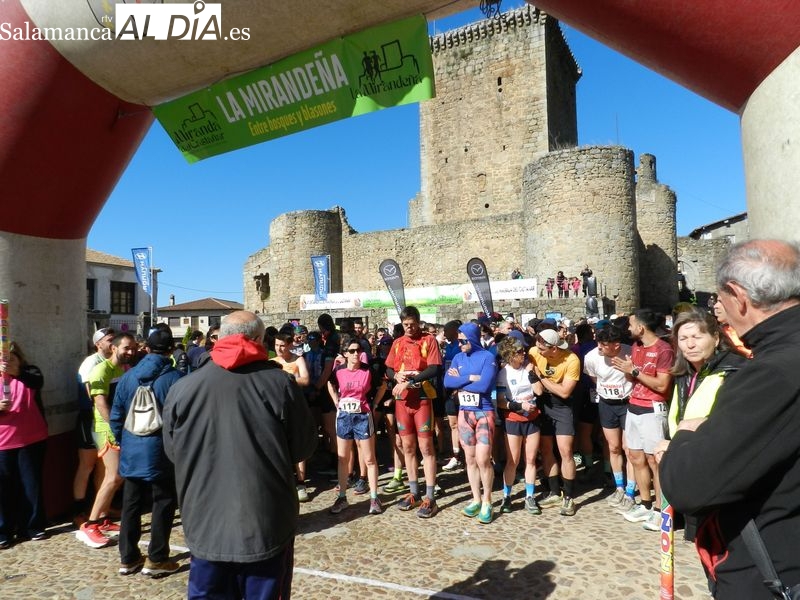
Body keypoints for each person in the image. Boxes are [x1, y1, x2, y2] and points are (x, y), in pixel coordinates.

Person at [660, 240, 800, 598]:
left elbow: (689, 484)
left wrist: (686, 436)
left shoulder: (771, 372)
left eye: (719, 302)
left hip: (773, 575)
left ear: (739, 296)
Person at [163, 311, 317, 599]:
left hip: (205, 521)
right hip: (264, 521)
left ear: (220, 338)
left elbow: (173, 452)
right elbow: (303, 447)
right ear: (258, 340)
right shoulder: (281, 383)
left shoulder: (182, 388)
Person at [109, 329, 183, 577]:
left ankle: (128, 558)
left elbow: (116, 416)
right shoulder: (176, 379)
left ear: (147, 349)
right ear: (171, 350)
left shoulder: (127, 377)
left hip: (132, 449)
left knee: (130, 504)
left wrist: (124, 442)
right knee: (163, 503)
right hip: (162, 451)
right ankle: (157, 558)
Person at [611, 308, 674, 532]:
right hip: (634, 406)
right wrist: (627, 370)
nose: (628, 329)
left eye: (630, 324)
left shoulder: (664, 349)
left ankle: (660, 510)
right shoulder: (637, 347)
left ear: (641, 327)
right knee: (635, 456)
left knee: (654, 460)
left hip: (652, 409)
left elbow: (662, 385)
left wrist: (634, 371)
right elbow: (632, 378)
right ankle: (646, 504)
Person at [77, 332, 137, 549]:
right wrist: (116, 429)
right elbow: (100, 404)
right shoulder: (100, 370)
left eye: (133, 348)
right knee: (114, 476)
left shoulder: (123, 369)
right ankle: (90, 525)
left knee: (114, 478)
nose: (130, 351)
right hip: (106, 430)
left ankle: (102, 518)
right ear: (114, 348)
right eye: (126, 348)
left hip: (119, 429)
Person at [385, 306, 443, 518]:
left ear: (418, 322)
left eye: (412, 324)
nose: (409, 328)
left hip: (422, 399)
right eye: (405, 325)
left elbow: (435, 368)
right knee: (407, 446)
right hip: (402, 401)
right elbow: (388, 367)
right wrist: (395, 376)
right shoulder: (398, 342)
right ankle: (414, 492)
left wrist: (410, 381)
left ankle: (430, 496)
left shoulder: (429, 340)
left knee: (426, 446)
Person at [445, 323, 498, 523]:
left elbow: (484, 384)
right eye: (458, 341)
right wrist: (470, 377)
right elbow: (447, 382)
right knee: (470, 459)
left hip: (483, 412)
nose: (459, 344)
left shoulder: (487, 357)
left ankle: (487, 500)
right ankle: (476, 498)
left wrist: (461, 381)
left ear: (473, 339)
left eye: (463, 341)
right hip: (464, 414)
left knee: (483, 459)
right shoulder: (458, 358)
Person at [529, 328, 581, 516]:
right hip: (543, 403)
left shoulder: (571, 359)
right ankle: (554, 491)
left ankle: (569, 496)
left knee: (566, 450)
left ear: (554, 348)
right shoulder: (534, 352)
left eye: (542, 349)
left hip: (562, 405)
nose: (538, 351)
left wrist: (541, 378)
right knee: (545, 449)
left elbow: (565, 392)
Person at [0, 342, 47, 547]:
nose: (7, 362)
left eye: (11, 358)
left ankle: (32, 526)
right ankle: (4, 530)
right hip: (3, 441)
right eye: (3, 359)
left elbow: (37, 382)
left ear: (19, 358)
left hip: (31, 438)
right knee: (4, 487)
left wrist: (17, 372)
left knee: (31, 484)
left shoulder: (30, 373)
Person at [583, 325, 635, 511]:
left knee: (629, 449)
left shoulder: (630, 352)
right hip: (606, 404)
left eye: (603, 344)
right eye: (598, 342)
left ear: (616, 345)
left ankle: (631, 491)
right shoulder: (591, 357)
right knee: (613, 447)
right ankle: (619, 487)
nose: (599, 347)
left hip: (627, 404)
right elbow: (594, 378)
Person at [327, 339, 381, 516]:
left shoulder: (368, 370)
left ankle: (374, 498)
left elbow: (382, 386)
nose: (356, 353)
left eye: (358, 350)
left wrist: (374, 405)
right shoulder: (339, 370)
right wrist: (336, 401)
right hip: (344, 416)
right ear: (345, 353)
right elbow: (330, 383)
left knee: (369, 458)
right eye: (351, 351)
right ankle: (342, 497)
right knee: (343, 458)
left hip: (362, 416)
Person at [495, 335, 543, 515]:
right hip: (513, 419)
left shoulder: (529, 368)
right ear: (510, 355)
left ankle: (529, 497)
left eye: (524, 350)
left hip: (532, 418)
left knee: (530, 460)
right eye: (519, 351)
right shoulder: (503, 373)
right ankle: (507, 496)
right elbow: (501, 402)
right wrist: (519, 406)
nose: (524, 353)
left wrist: (531, 373)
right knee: (513, 461)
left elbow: (539, 391)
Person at [73, 327, 115, 527]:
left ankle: (101, 511)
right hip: (90, 418)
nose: (113, 342)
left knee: (103, 467)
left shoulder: (111, 363)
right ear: (98, 344)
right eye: (109, 339)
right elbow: (92, 395)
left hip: (104, 421)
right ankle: (79, 512)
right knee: (87, 466)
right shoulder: (91, 362)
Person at [272, 333, 311, 502]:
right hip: (278, 408)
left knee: (298, 443)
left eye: (282, 345)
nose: (279, 349)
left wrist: (287, 380)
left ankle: (301, 483)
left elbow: (306, 380)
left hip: (295, 406)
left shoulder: (298, 360)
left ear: (289, 345)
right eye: (276, 345)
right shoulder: (272, 362)